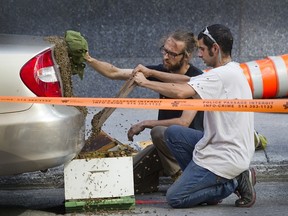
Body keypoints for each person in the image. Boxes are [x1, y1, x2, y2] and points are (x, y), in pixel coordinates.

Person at [132, 24, 256, 208]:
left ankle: (233, 182)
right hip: (221, 143)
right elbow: (187, 81)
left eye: (202, 49)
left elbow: (181, 91)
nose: (199, 54)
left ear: (215, 49)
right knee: (173, 133)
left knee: (175, 198)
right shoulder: (230, 70)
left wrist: (145, 83)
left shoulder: (220, 76)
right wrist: (150, 73)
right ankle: (205, 186)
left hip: (225, 155)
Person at [84, 30, 204, 193]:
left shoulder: (197, 78)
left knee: (158, 132)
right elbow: (114, 72)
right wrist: (88, 59)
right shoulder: (162, 71)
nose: (166, 57)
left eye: (172, 54)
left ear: (187, 56)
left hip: (190, 149)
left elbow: (183, 122)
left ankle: (183, 178)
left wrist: (145, 123)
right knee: (127, 176)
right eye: (165, 50)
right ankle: (155, 178)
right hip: (166, 147)